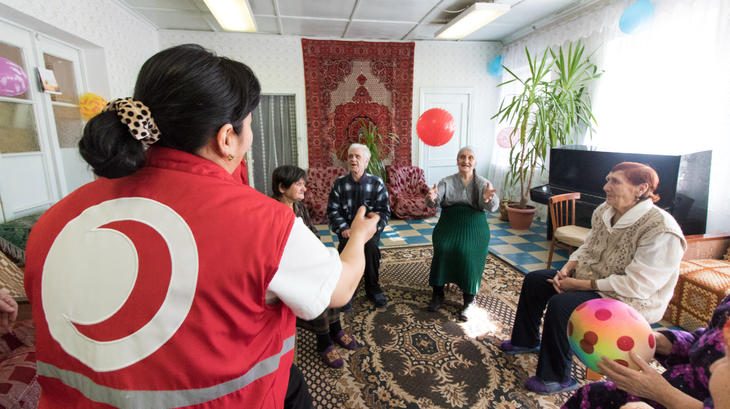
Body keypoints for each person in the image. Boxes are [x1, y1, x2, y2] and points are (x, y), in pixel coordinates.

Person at [24, 44, 379, 408]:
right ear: (227, 138)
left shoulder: (54, 219)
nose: (251, 138)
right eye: (250, 126)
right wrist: (361, 235)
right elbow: (339, 290)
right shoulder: (264, 223)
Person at [500, 162, 687, 395]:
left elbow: (636, 285)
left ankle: (556, 378)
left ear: (641, 189)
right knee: (536, 280)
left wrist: (578, 285)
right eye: (608, 179)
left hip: (629, 298)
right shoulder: (604, 211)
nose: (606, 186)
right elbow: (587, 247)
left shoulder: (661, 229)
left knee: (562, 305)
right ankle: (526, 341)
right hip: (593, 279)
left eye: (615, 181)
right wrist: (568, 268)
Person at [563, 292, 730, 409]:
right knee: (590, 394)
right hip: (675, 384)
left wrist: (662, 393)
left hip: (681, 399)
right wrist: (651, 339)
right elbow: (704, 341)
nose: (714, 366)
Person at [271, 165, 358, 368]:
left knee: (331, 272)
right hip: (287, 268)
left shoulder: (299, 207)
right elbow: (276, 250)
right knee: (316, 284)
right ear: (282, 188)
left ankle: (335, 327)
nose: (304, 189)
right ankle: (324, 341)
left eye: (304, 184)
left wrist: (320, 255)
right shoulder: (273, 211)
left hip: (306, 258)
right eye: (299, 184)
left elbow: (313, 234)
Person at [424, 146, 499, 320]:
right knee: (443, 247)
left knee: (468, 252)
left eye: (470, 158)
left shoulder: (483, 183)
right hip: (449, 223)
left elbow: (493, 208)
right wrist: (432, 197)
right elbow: (433, 202)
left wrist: (488, 198)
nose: (466, 161)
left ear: (475, 162)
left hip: (475, 225)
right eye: (462, 157)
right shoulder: (447, 181)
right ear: (457, 161)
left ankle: (469, 300)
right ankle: (437, 293)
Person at [327, 143, 390, 309]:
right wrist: (343, 228)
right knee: (345, 248)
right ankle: (347, 291)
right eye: (350, 156)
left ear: (366, 161)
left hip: (369, 230)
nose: (353, 159)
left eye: (357, 156)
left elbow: (384, 212)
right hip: (347, 230)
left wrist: (372, 229)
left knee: (370, 248)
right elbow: (332, 211)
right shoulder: (339, 184)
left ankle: (373, 288)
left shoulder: (376, 183)